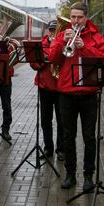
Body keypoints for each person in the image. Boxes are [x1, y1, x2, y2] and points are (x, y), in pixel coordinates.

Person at [49, 2, 104, 191]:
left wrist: (85, 47)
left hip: (89, 93)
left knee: (89, 137)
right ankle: (70, 174)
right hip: (66, 92)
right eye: (73, 17)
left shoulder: (96, 37)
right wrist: (61, 42)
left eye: (79, 17)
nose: (75, 21)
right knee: (68, 136)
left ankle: (89, 176)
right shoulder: (62, 35)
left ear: (86, 18)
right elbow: (52, 58)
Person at [29, 20, 64, 161]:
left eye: (55, 30)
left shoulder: (64, 44)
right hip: (44, 87)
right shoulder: (41, 46)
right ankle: (48, 148)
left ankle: (60, 149)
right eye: (51, 30)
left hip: (61, 87)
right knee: (45, 120)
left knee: (61, 121)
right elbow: (34, 64)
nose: (53, 32)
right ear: (47, 31)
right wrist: (43, 60)